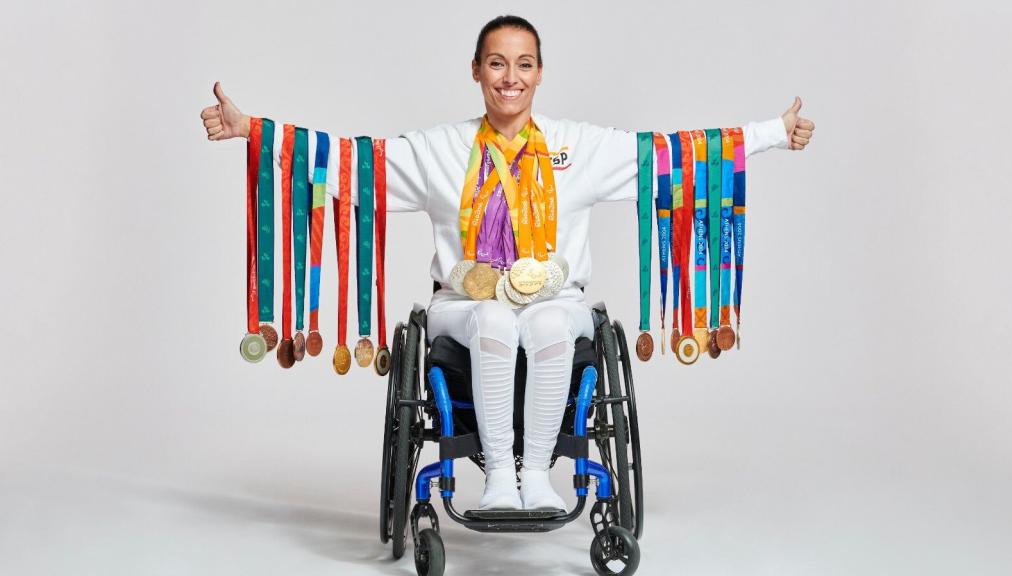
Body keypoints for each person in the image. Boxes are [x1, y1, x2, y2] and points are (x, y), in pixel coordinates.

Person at [200, 15, 815, 512]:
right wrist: (251, 129)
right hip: (463, 307)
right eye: (497, 63)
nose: (510, 78)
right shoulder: (443, 148)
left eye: (524, 65)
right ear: (477, 71)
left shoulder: (579, 146)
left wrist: (772, 131)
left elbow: (675, 155)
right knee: (495, 320)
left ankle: (539, 479)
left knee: (545, 323)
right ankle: (499, 479)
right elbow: (353, 164)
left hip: (558, 304)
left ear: (540, 73)